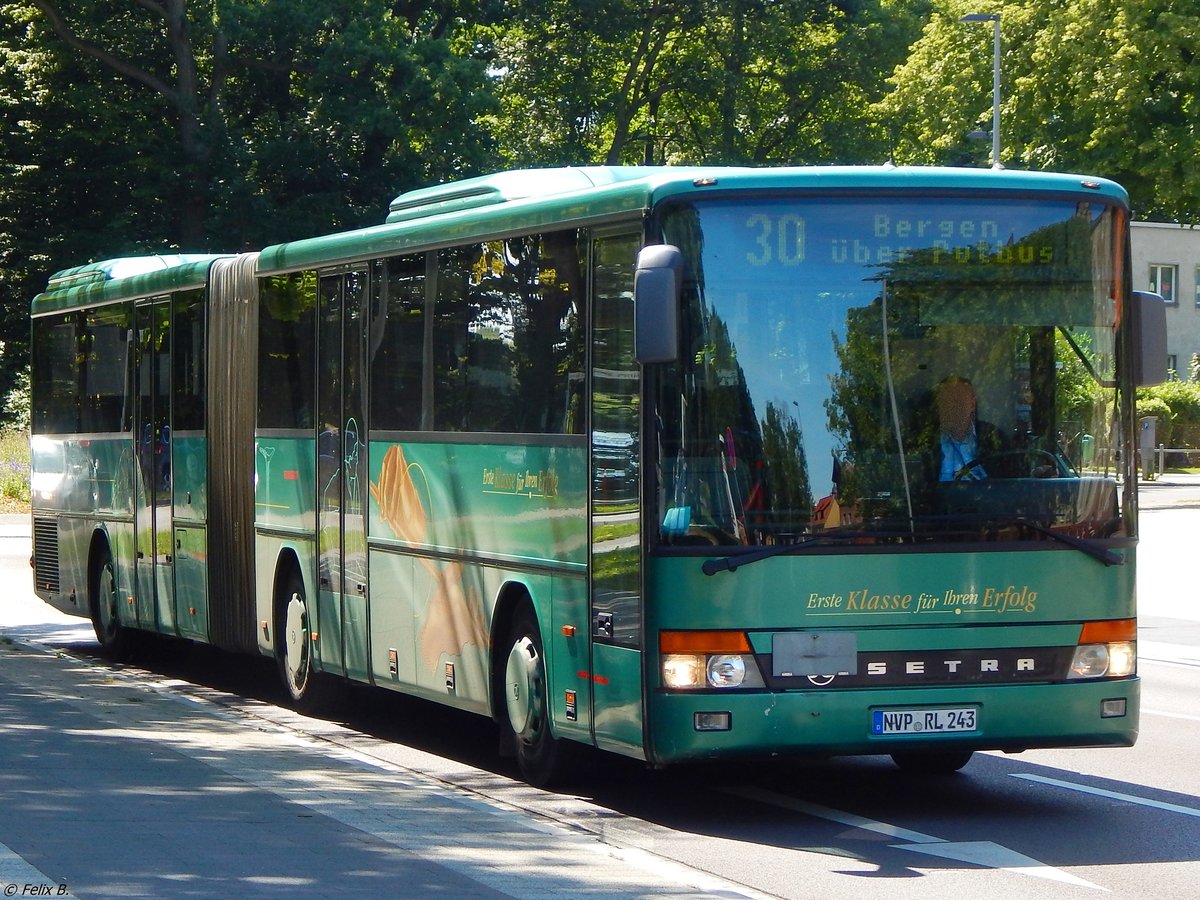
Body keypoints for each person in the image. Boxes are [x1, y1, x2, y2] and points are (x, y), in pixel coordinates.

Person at [935, 376, 1005, 481]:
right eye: (947, 401)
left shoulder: (993, 437)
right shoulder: (928, 444)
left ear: (972, 404)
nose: (952, 407)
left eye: (959, 400)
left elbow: (1012, 480)